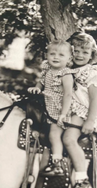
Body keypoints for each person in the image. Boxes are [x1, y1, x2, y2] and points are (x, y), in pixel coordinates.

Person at [63, 32, 97, 188]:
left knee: (69, 139)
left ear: (92, 55)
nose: (79, 55)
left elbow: (94, 98)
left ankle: (82, 181)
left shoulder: (92, 72)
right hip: (70, 111)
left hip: (85, 112)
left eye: (85, 52)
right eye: (76, 51)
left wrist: (91, 120)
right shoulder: (67, 70)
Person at [28, 40, 75, 176]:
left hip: (58, 109)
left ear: (69, 59)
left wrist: (63, 114)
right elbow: (41, 82)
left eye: (61, 55)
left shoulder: (66, 74)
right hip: (46, 106)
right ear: (47, 55)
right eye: (52, 54)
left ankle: (57, 163)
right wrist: (37, 88)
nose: (56, 57)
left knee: (54, 135)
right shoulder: (47, 70)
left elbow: (68, 95)